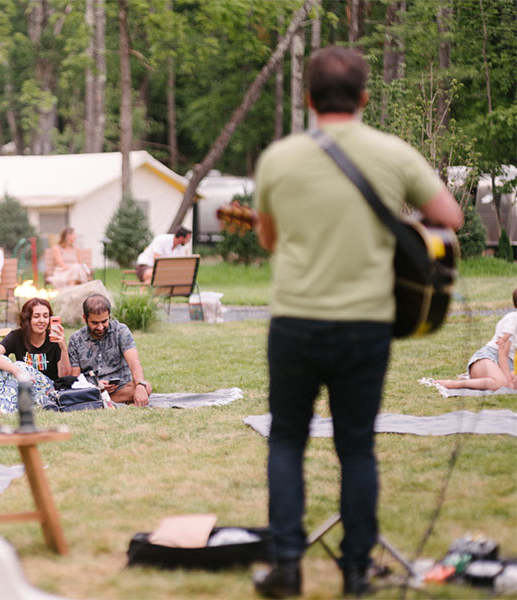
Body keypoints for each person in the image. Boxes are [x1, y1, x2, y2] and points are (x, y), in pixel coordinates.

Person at [251, 46, 463, 599]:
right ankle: (355, 570)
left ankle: (287, 567)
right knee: (357, 447)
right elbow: (451, 217)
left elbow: (269, 241)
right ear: (365, 97)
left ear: (307, 98)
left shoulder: (278, 158)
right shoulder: (392, 153)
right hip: (367, 325)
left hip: (295, 321)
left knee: (287, 442)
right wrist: (396, 222)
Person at [0, 298, 71, 413]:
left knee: (20, 365)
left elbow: (65, 376)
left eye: (45, 316)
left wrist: (63, 348)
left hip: (47, 391)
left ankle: (3, 410)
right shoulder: (17, 336)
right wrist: (15, 370)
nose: (42, 320)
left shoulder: (55, 340)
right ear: (27, 319)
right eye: (36, 316)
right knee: (1, 362)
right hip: (24, 385)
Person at [67, 294, 152, 406]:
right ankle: (104, 400)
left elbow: (134, 363)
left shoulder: (121, 331)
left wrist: (140, 385)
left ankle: (101, 401)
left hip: (121, 388)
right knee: (76, 393)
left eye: (104, 321)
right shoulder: (76, 339)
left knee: (146, 387)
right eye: (95, 323)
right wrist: (95, 386)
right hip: (91, 389)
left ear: (109, 316)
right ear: (85, 318)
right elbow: (75, 378)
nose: (100, 327)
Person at [434, 287, 517, 392]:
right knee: (502, 384)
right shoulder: (513, 319)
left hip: (506, 365)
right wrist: (509, 381)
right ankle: (454, 384)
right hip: (489, 358)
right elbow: (502, 352)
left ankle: (495, 378)